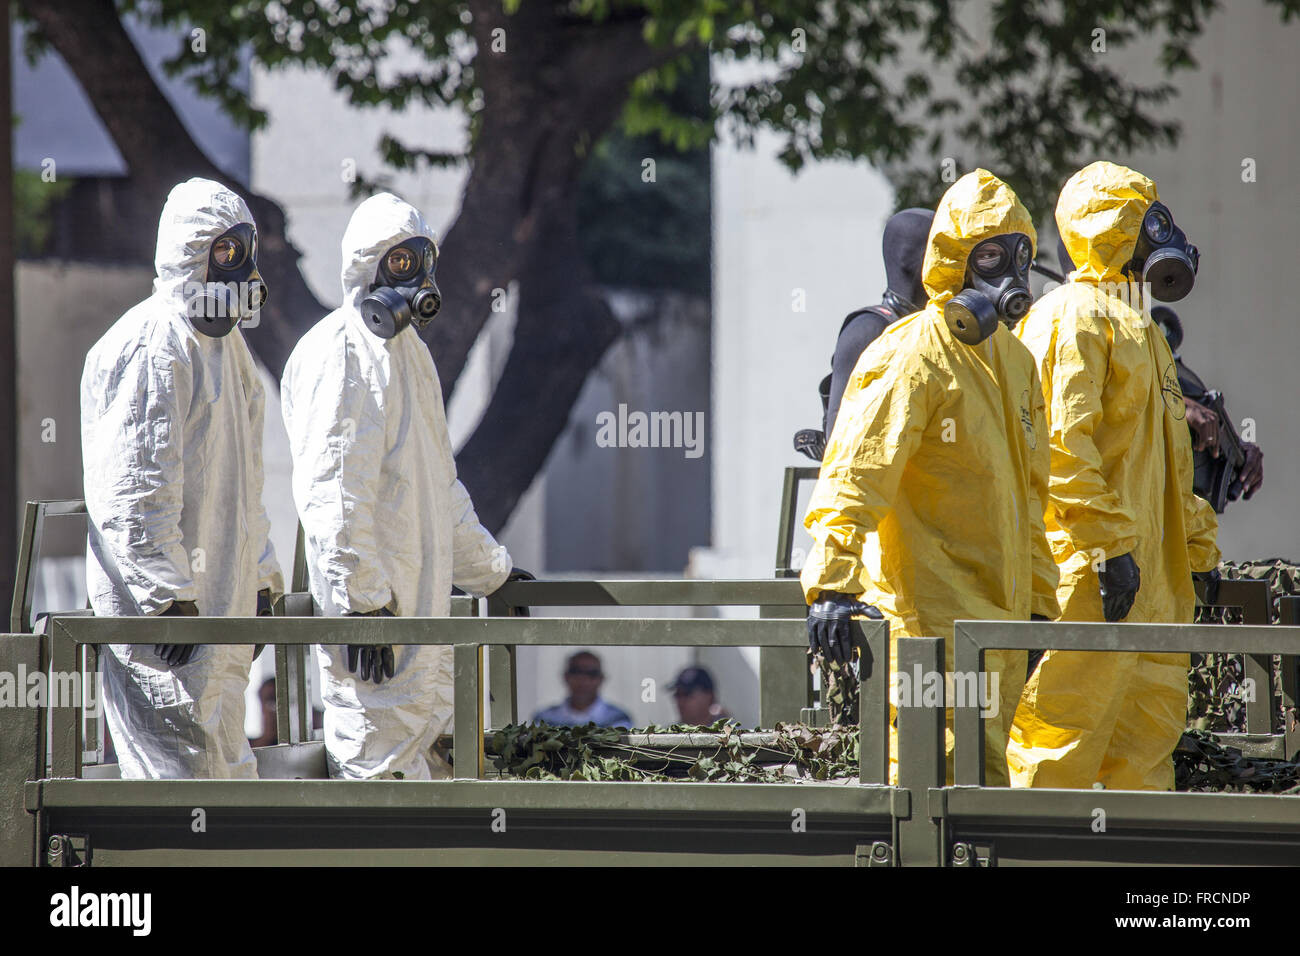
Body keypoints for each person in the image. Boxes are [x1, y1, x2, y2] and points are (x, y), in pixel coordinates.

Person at [801, 169, 1059, 786]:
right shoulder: (912, 350)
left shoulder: (1017, 361)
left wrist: (1042, 606)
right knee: (925, 792)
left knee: (985, 794)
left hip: (997, 629)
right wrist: (833, 582)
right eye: (991, 256)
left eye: (1020, 256)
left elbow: (1030, 493)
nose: (1011, 276)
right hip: (927, 629)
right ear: (952, 259)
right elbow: (859, 468)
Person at [281, 192, 526, 780]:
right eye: (399, 263)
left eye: (422, 260)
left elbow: (440, 488)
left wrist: (491, 570)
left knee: (436, 799)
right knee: (381, 797)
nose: (416, 277)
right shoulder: (339, 353)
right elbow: (332, 497)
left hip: (424, 626)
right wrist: (361, 605)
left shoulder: (410, 355)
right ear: (366, 265)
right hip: (378, 637)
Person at [1008, 161, 1221, 791]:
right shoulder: (1071, 319)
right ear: (1116, 227)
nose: (1166, 232)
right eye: (1150, 219)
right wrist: (1108, 549)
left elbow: (1171, 468)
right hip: (1091, 585)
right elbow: (1062, 451)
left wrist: (1196, 548)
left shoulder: (1142, 328)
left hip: (1153, 591)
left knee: (1144, 758)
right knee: (1058, 746)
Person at [82, 177, 282, 780]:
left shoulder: (229, 351)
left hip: (218, 610)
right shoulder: (152, 343)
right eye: (226, 253)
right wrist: (167, 597)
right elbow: (134, 490)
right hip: (167, 627)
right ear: (188, 252)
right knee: (177, 787)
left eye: (244, 252)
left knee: (226, 781)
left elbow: (248, 487)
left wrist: (263, 578)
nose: (241, 271)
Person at [794, 208, 934, 460]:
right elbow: (842, 443)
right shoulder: (870, 329)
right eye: (940, 252)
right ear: (909, 259)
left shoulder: (943, 331)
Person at [1153, 306, 1263, 511]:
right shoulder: (1089, 334)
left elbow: (1204, 422)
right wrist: (1176, 406)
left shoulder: (1173, 372)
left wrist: (1239, 452)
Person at [532, 651, 634, 727]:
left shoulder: (618, 718)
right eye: (576, 671)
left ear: (601, 679)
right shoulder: (544, 719)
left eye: (592, 673)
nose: (583, 679)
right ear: (565, 676)